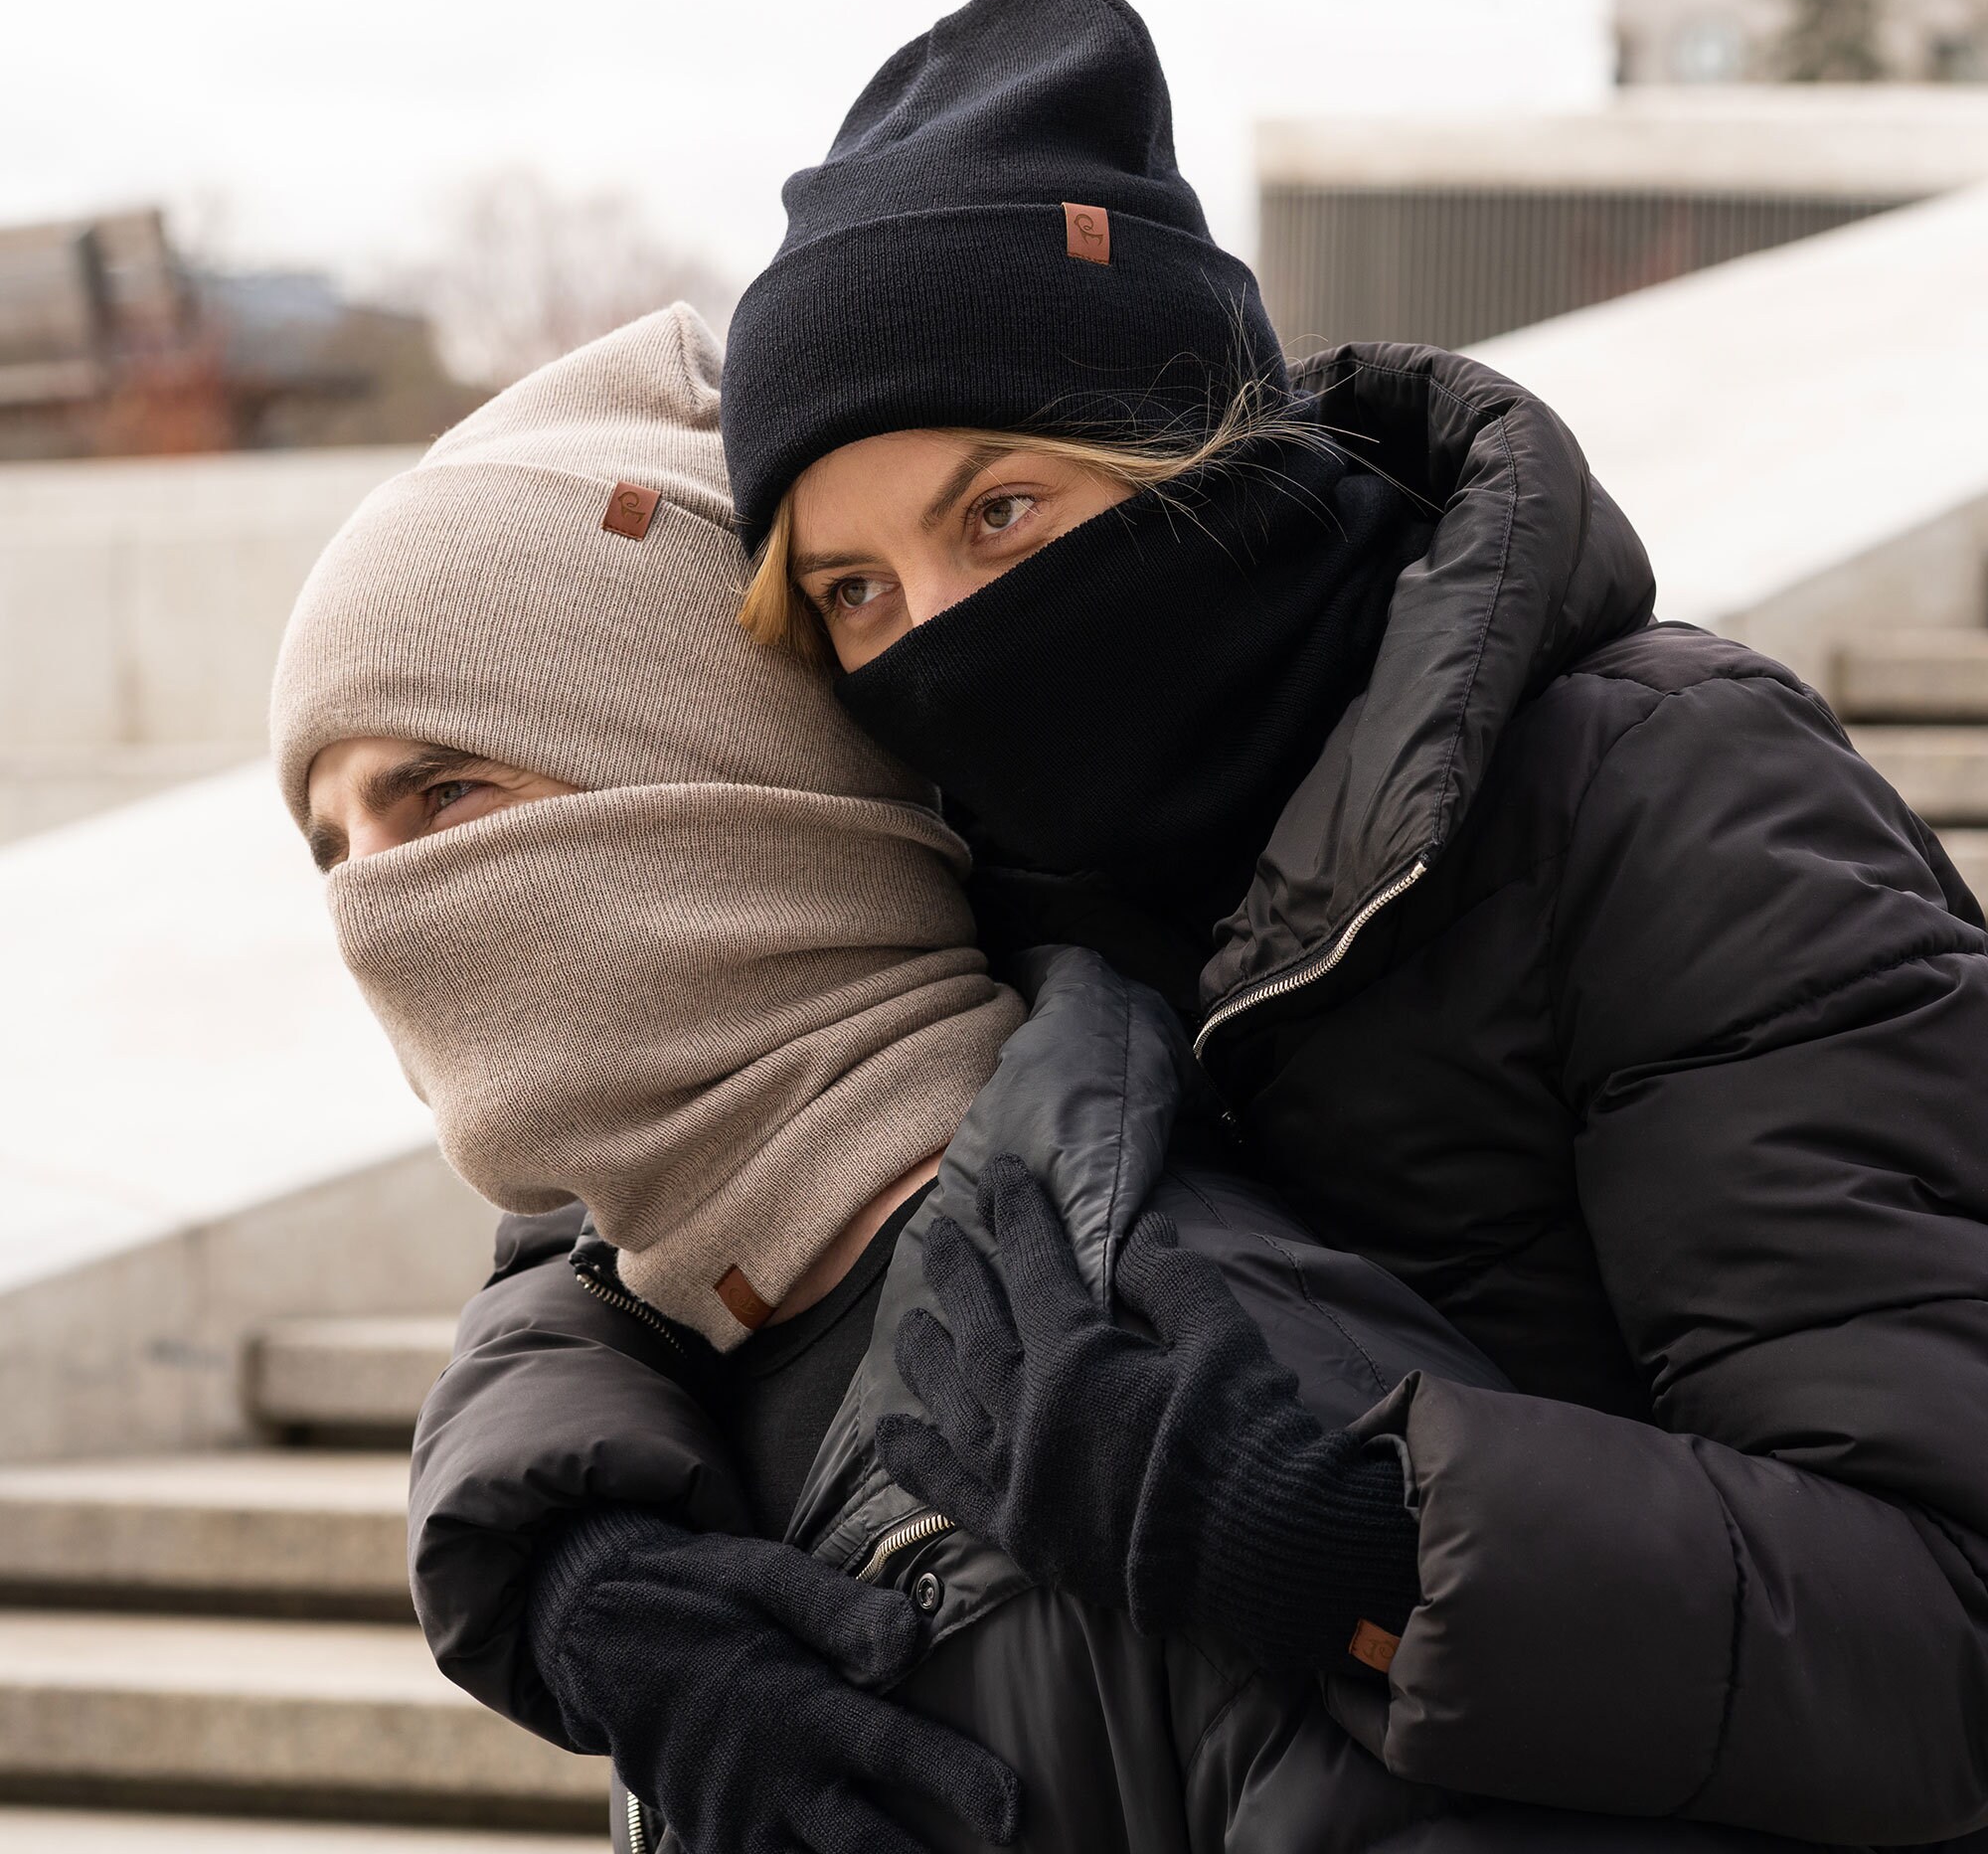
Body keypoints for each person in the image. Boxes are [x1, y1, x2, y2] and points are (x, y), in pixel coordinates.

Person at [718, 0, 1988, 1844]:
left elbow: (1948, 1625)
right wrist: (579, 1567)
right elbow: (617, 1168)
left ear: (1198, 452)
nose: (944, 641)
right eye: (852, 594)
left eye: (1001, 513)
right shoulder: (960, 867)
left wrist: (1348, 1542)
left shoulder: (1667, 791)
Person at [269, 308, 1780, 1854]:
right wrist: (557, 1552)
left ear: (710, 790)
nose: (374, 911)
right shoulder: (678, 1368)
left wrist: (1342, 1560)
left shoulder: (1168, 1366)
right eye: (333, 848)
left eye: (446, 796)